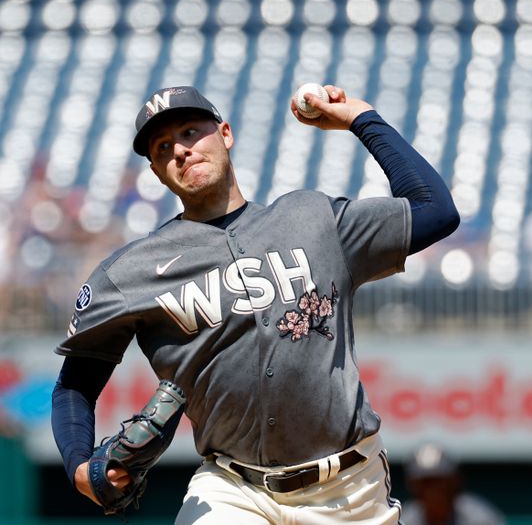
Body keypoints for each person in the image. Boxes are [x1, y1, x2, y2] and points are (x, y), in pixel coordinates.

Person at [50, 84, 460, 523]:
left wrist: (361, 119)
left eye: (191, 132)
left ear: (225, 134)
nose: (181, 150)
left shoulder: (313, 219)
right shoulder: (132, 272)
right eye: (163, 147)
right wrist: (77, 462)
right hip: (232, 490)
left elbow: (435, 211)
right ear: (156, 170)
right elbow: (76, 383)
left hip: (347, 492)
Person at [402, 443, 506, 525]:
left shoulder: (480, 519)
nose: (433, 490)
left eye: (439, 482)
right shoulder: (403, 521)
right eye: (426, 483)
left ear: (454, 482)